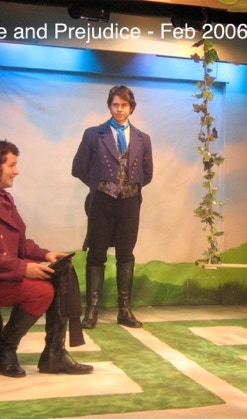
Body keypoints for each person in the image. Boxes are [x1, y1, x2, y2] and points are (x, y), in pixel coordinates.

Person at [0, 138, 94, 378]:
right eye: (12, 165)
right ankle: (3, 348)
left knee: (62, 270)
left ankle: (54, 354)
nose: (17, 171)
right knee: (40, 292)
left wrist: (45, 255)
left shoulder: (2, 197)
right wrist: (23, 269)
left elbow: (18, 242)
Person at [72, 85, 153, 329]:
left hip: (130, 203)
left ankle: (124, 311)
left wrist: (126, 187)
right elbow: (79, 168)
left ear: (131, 108)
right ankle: (91, 311)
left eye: (124, 105)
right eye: (115, 105)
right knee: (96, 254)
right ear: (109, 106)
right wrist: (100, 185)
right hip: (101, 202)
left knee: (126, 255)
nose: (120, 109)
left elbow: (147, 174)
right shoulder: (93, 134)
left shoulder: (143, 139)